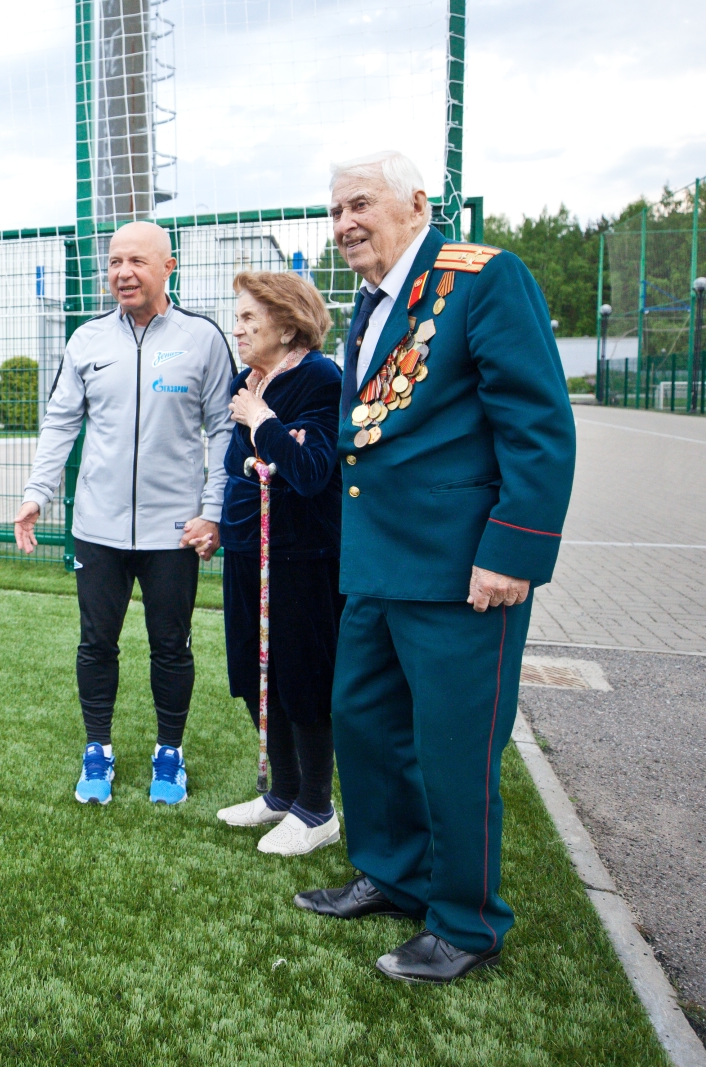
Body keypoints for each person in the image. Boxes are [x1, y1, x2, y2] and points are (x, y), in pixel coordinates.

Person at [292, 151, 576, 983]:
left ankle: (466, 921)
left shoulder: (484, 278)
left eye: (360, 205)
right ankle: (393, 874)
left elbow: (537, 420)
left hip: (462, 572)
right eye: (335, 209)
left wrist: (512, 549)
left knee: (453, 749)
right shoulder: (373, 301)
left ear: (416, 204)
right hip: (377, 562)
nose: (344, 223)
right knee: (367, 728)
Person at [14, 220, 235, 807]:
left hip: (175, 531)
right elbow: (61, 422)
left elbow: (225, 429)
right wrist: (38, 493)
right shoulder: (86, 340)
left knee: (171, 645)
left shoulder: (204, 339)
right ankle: (98, 751)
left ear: (169, 267)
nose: (122, 273)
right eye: (114, 262)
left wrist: (212, 512)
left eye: (136, 261)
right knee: (96, 644)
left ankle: (170, 753)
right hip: (98, 529)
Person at [213, 272, 345, 856]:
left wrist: (262, 420)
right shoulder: (248, 381)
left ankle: (317, 808)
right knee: (252, 670)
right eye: (236, 317)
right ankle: (282, 794)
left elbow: (312, 472)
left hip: (301, 556)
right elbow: (242, 468)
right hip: (248, 547)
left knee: (301, 677)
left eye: (248, 319)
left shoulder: (319, 379)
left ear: (287, 325)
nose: (236, 329)